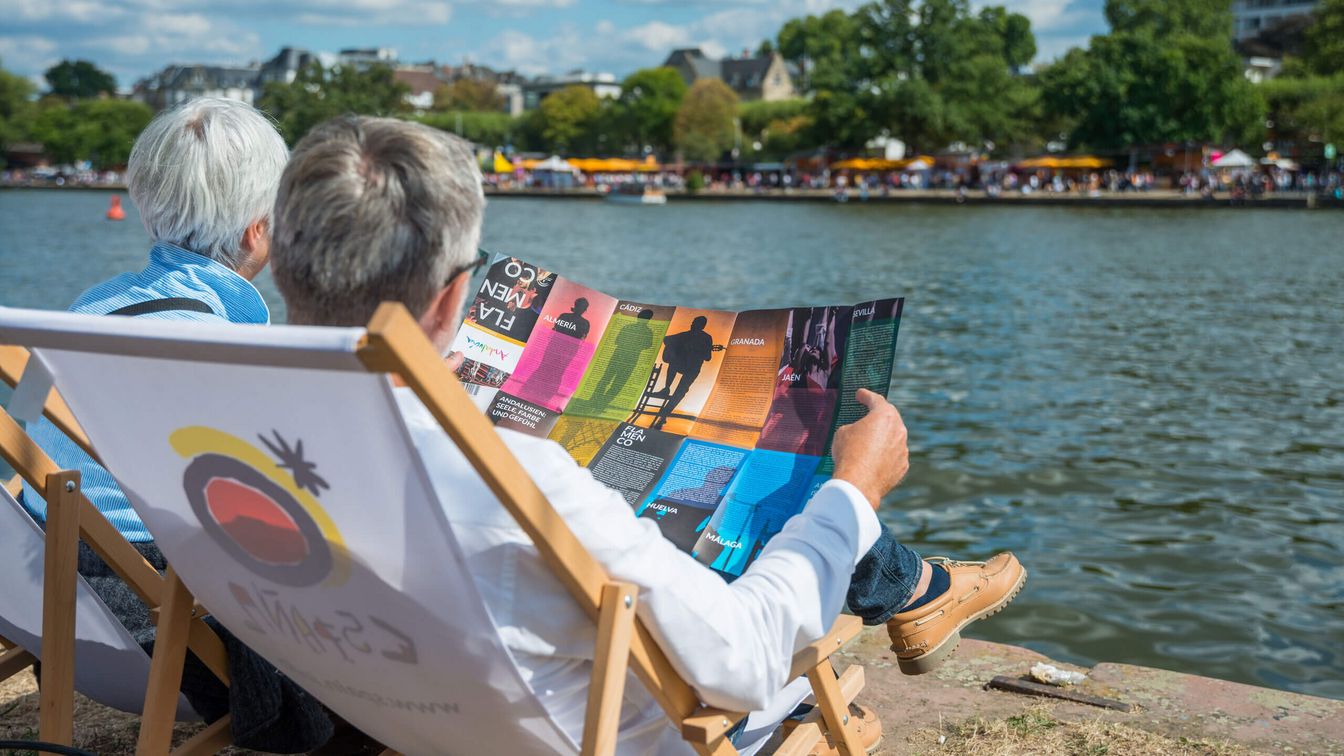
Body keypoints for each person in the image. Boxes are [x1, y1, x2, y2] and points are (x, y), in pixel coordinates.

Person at [269, 116, 1025, 753]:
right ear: (456, 296)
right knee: (753, 514)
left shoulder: (239, 422)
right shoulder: (515, 474)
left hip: (394, 701)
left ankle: (915, 586)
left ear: (283, 268)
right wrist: (855, 491)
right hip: (601, 730)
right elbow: (744, 658)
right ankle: (911, 586)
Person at [19, 98, 340, 753]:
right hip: (161, 630)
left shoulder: (87, 308)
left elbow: (26, 422)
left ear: (145, 204)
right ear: (259, 232)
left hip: (52, 604)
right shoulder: (216, 349)